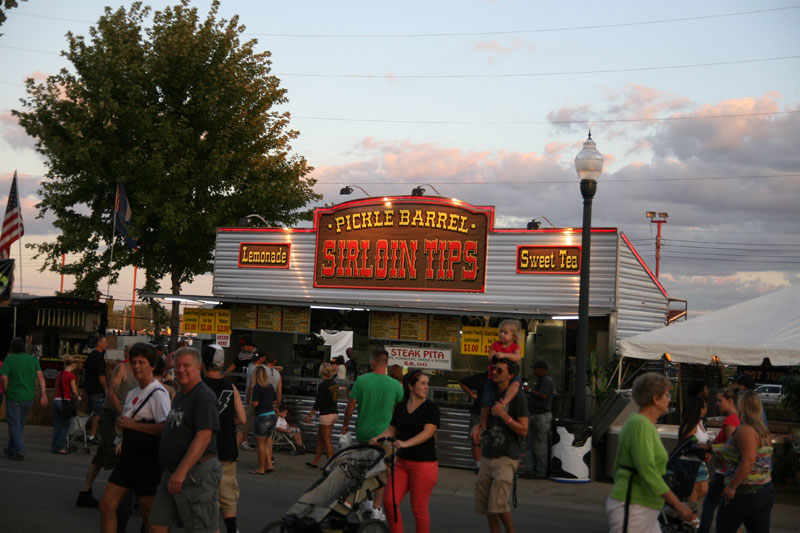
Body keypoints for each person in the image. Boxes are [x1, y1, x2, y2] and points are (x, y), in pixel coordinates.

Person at [606, 372, 694, 533]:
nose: (669, 398)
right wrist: (678, 505)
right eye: (667, 394)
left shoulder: (642, 424)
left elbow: (618, 466)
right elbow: (647, 470)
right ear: (655, 399)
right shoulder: (640, 425)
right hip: (633, 506)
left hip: (643, 507)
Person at [98, 342, 171, 533]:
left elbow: (166, 428)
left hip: (147, 459)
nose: (137, 366)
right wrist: (122, 435)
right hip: (128, 457)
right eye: (134, 362)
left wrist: (133, 425)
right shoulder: (132, 392)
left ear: (152, 365)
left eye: (142, 362)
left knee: (148, 512)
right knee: (106, 505)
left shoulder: (158, 393)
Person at [150, 347, 222, 533]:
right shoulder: (181, 395)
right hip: (171, 472)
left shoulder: (204, 396)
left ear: (199, 368)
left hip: (194, 474)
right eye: (178, 365)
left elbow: (204, 437)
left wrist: (181, 471)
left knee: (201, 528)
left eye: (186, 365)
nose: (181, 369)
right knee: (158, 524)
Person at [371, 369, 440, 533]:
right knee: (389, 502)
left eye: (427, 384)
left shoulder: (431, 408)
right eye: (422, 383)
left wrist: (406, 443)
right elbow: (392, 429)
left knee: (419, 509)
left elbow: (428, 432)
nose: (426, 387)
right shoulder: (401, 407)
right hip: (402, 463)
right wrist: (377, 437)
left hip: (424, 464)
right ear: (411, 385)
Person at [342, 347, 404, 521]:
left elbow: (351, 405)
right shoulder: (395, 385)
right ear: (386, 363)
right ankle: (377, 508)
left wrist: (345, 426)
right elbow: (401, 406)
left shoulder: (361, 381)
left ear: (373, 362)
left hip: (363, 433)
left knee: (364, 468)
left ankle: (367, 501)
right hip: (385, 436)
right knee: (382, 472)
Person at [471, 358, 529, 533]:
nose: (494, 373)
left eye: (500, 371)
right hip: (488, 454)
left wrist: (505, 417)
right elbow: (484, 422)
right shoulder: (490, 394)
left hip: (507, 456)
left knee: (498, 504)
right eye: (494, 369)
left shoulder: (518, 398)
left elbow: (524, 430)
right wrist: (477, 427)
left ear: (511, 376)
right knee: (487, 504)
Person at [76, 346, 138, 508]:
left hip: (125, 419)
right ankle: (115, 499)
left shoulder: (141, 373)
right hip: (112, 416)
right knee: (116, 457)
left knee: (101, 457)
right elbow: (111, 393)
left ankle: (85, 492)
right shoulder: (122, 368)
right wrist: (121, 414)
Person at [202, 344, 246, 533]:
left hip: (203, 449)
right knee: (227, 494)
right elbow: (242, 419)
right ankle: (232, 529)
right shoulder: (231, 388)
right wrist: (227, 423)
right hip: (227, 447)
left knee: (205, 495)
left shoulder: (198, 386)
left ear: (203, 363)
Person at [717, 390, 774, 533]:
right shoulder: (764, 431)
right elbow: (761, 460)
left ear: (742, 407)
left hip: (745, 492)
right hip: (763, 490)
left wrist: (732, 486)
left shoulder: (745, 430)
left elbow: (749, 460)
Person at [698, 388, 740, 533]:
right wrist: (710, 445)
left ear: (730, 401)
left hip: (724, 471)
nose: (717, 404)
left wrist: (713, 448)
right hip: (729, 471)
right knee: (726, 508)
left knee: (709, 504)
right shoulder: (738, 418)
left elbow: (730, 448)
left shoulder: (730, 420)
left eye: (720, 401)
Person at [1, 337, 48, 461]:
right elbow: (41, 378)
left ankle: (19, 450)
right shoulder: (32, 359)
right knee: (20, 423)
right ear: (24, 348)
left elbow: (3, 378)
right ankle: (12, 448)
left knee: (13, 424)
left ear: (12, 348)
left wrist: (6, 391)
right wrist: (43, 395)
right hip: (28, 397)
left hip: (14, 396)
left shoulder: (9, 359)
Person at [480, 320, 523, 431]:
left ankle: (504, 403)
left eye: (505, 332)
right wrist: (494, 356)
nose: (501, 334)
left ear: (513, 336)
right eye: (501, 332)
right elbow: (489, 359)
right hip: (492, 378)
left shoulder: (514, 347)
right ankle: (483, 427)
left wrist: (504, 354)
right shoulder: (495, 344)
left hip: (509, 377)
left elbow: (518, 357)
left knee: (516, 383)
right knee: (486, 402)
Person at [520, 360, 554, 480]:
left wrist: (529, 390)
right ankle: (531, 469)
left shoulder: (546, 380)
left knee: (540, 445)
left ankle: (541, 471)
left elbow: (543, 395)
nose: (533, 371)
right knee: (530, 445)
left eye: (535, 368)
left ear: (542, 369)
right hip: (535, 415)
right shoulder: (541, 380)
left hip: (541, 416)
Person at [678, 396, 711, 513]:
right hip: (690, 463)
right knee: (694, 490)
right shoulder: (691, 425)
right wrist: (702, 449)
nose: (707, 408)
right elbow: (685, 444)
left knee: (702, 489)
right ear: (699, 409)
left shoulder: (700, 423)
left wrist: (706, 451)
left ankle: (686, 512)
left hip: (699, 461)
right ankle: (690, 516)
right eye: (705, 406)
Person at [306, 362, 339, 468]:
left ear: (322, 371)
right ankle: (315, 461)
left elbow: (318, 402)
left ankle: (331, 465)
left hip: (326, 415)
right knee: (321, 438)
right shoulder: (334, 383)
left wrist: (310, 415)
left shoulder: (323, 385)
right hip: (334, 413)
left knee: (326, 440)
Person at [250, 365, 277, 474]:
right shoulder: (270, 386)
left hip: (262, 417)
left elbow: (255, 403)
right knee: (267, 443)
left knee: (260, 444)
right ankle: (269, 464)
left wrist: (254, 403)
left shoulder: (256, 387)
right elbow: (275, 401)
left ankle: (261, 468)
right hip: (272, 416)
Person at [238, 349, 267, 450]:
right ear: (261, 358)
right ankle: (244, 442)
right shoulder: (258, 369)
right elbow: (251, 386)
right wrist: (248, 400)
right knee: (248, 423)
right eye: (264, 357)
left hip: (250, 399)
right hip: (253, 400)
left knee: (248, 422)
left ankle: (244, 442)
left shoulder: (251, 365)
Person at [460, 369, 489, 469]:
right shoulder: (482, 377)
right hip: (479, 412)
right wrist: (472, 394)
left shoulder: (504, 378)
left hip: (495, 413)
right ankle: (479, 465)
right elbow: (462, 382)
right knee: (476, 440)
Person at [52, 355, 81, 454]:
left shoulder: (59, 374)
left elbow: (56, 387)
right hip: (65, 402)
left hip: (56, 400)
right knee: (65, 425)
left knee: (57, 426)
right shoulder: (71, 376)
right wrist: (78, 397)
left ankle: (54, 446)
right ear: (73, 365)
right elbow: (74, 390)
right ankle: (59, 447)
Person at [84, 336, 109, 443]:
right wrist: (106, 388)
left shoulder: (91, 355)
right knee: (97, 414)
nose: (106, 344)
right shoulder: (99, 358)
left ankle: (83, 433)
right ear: (99, 343)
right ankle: (92, 436)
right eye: (105, 342)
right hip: (97, 390)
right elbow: (101, 376)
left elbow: (84, 368)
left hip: (89, 388)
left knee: (89, 412)